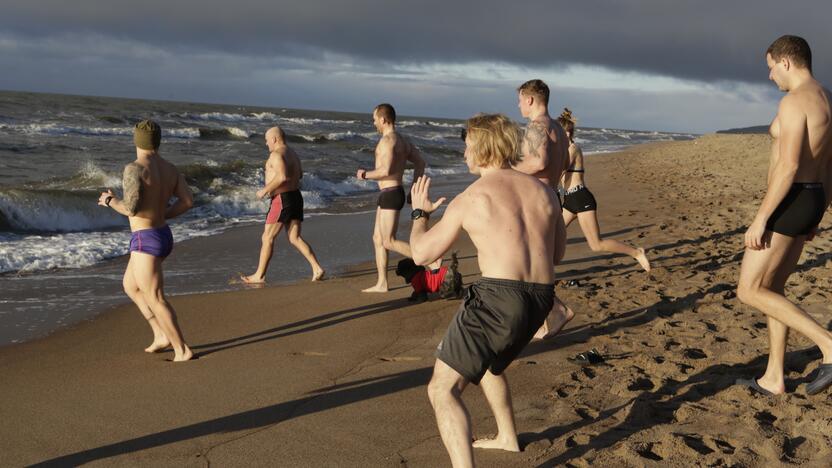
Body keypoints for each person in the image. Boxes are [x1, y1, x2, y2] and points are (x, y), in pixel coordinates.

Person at [411, 113, 560, 467]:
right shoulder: (546, 193)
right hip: (540, 299)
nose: (463, 153)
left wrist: (419, 213)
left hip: (498, 297)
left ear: (483, 147)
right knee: (491, 362)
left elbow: (421, 254)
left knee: (441, 390)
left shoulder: (472, 197)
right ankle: (508, 437)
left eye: (467, 146)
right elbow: (556, 254)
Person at [736, 35, 832, 396]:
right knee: (773, 288)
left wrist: (761, 218)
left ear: (786, 62)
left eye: (771, 67)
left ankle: (828, 344)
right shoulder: (826, 99)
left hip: (789, 200)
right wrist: (818, 213)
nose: (770, 76)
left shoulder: (795, 102)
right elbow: (829, 165)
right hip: (810, 199)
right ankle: (774, 376)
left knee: (748, 289)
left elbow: (789, 165)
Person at [97, 120, 193, 361]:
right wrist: (164, 214)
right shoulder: (171, 169)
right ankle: (160, 334)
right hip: (161, 234)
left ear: (136, 140)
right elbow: (187, 201)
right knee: (131, 286)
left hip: (145, 240)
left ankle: (182, 349)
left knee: (156, 297)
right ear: (157, 141)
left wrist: (110, 200)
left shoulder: (135, 168)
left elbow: (130, 208)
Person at [512, 79, 574, 340]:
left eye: (519, 100)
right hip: (551, 197)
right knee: (538, 261)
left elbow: (539, 161)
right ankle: (545, 317)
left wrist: (506, 169)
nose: (518, 105)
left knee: (527, 260)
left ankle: (556, 310)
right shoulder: (558, 129)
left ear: (530, 99)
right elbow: (564, 161)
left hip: (538, 199)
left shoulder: (536, 126)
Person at [556, 108, 651, 272]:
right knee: (552, 233)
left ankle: (636, 252)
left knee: (596, 245)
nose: (567, 135)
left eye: (569, 132)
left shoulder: (573, 149)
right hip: (570, 200)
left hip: (582, 199)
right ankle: (545, 267)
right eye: (563, 132)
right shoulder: (562, 150)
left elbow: (560, 169)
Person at [241, 126, 325, 284]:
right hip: (295, 197)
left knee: (267, 237)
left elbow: (282, 177)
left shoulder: (276, 154)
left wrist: (265, 190)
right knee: (294, 237)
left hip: (282, 199)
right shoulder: (293, 154)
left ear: (274, 139)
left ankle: (259, 275)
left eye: (267, 141)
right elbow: (299, 175)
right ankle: (317, 267)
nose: (266, 144)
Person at [357, 103, 426, 292]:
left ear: (383, 119)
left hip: (391, 193)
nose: (373, 123)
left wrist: (364, 175)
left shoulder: (388, 141)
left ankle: (430, 258)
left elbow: (385, 170)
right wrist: (415, 187)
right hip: (388, 194)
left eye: (374, 119)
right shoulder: (402, 140)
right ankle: (382, 283)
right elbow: (420, 162)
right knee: (378, 238)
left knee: (388, 240)